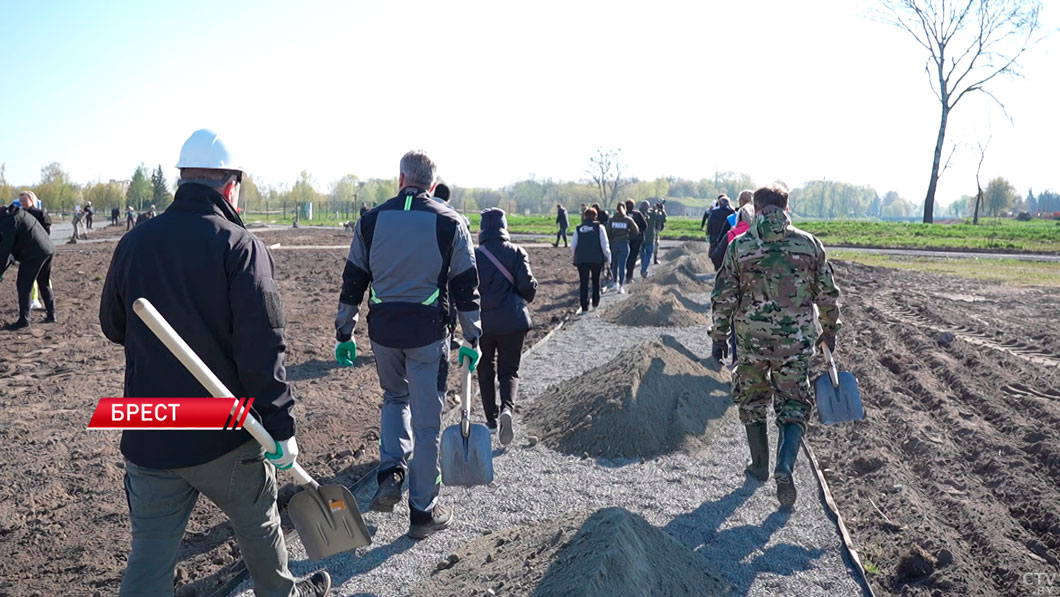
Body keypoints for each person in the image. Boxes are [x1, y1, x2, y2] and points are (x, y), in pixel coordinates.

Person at [98, 129, 331, 596]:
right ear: (230, 186)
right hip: (222, 436)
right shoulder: (240, 247)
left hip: (150, 431)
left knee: (149, 558)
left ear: (183, 180)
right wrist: (281, 429)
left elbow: (113, 325)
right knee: (260, 526)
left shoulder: (134, 243)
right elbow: (263, 348)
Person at [333, 150, 481, 540]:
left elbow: (353, 279)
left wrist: (344, 332)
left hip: (383, 332)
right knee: (427, 420)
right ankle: (422, 510)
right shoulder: (451, 222)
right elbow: (466, 286)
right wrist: (473, 337)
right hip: (428, 334)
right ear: (433, 184)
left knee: (394, 400)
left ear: (400, 179)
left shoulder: (371, 220)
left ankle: (390, 471)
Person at [709, 184, 841, 509]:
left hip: (751, 341)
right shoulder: (809, 244)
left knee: (752, 400)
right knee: (793, 403)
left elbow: (724, 296)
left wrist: (719, 337)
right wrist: (830, 329)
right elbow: (827, 292)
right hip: (795, 343)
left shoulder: (740, 246)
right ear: (786, 207)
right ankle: (785, 466)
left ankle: (758, 465)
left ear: (756, 208)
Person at [474, 208, 537, 445]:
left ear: (482, 229)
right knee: (509, 370)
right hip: (512, 321)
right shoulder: (517, 252)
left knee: (484, 368)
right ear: (504, 227)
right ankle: (507, 409)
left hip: (483, 323)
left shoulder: (474, 255)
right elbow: (527, 289)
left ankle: (490, 418)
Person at [0, 202, 56, 329]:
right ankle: (52, 314)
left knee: (24, 285)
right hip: (48, 249)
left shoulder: (8, 221)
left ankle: (24, 320)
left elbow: (4, 250)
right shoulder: (16, 214)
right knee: (44, 282)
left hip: (33, 253)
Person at [570, 206, 611, 314]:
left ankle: (584, 306)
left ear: (584, 216)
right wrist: (608, 258)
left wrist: (575, 256)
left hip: (582, 260)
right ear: (595, 216)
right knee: (596, 280)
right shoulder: (600, 228)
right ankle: (595, 302)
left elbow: (573, 245)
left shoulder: (579, 228)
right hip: (596, 259)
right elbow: (605, 244)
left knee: (583, 282)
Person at [605, 203, 638, 293]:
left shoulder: (611, 220)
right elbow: (636, 230)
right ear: (625, 209)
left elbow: (607, 232)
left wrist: (612, 238)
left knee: (614, 264)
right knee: (622, 265)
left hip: (614, 244)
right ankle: (621, 286)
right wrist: (628, 233)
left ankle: (615, 282)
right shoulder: (628, 220)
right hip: (624, 244)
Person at [706, 195, 735, 269]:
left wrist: (709, 233)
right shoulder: (732, 212)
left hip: (715, 237)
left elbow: (709, 224)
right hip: (727, 237)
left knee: (716, 254)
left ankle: (717, 269)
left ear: (719, 204)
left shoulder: (714, 212)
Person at [638, 200, 663, 278]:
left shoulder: (637, 214)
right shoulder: (652, 214)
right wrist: (661, 210)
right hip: (649, 237)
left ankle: (643, 266)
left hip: (639, 237)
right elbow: (663, 218)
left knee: (642, 253)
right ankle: (644, 269)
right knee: (649, 253)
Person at [624, 199, 646, 283]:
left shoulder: (623, 215)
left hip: (625, 238)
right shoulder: (637, 214)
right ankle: (629, 277)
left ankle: (621, 274)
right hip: (636, 239)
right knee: (633, 257)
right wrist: (639, 232)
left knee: (625, 256)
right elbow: (644, 225)